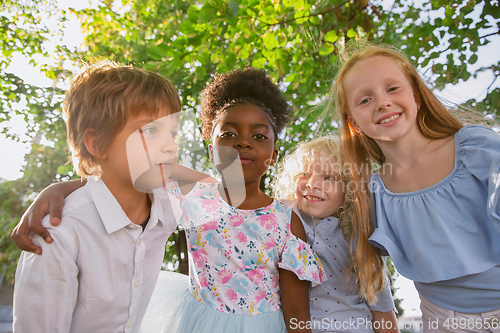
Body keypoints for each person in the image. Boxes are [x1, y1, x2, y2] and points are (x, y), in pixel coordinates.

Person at [12, 67, 326, 333]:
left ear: (273, 154)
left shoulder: (285, 218)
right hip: (201, 321)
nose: (243, 142)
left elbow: (297, 308)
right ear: (210, 146)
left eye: (258, 136)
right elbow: (116, 178)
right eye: (228, 134)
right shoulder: (190, 195)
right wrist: (57, 190)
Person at [332, 43, 500, 332]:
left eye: (393, 89)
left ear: (417, 96)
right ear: (354, 124)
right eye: (365, 100)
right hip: (444, 318)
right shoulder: (372, 194)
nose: (383, 102)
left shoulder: (476, 149)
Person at [13, 60, 187, 332]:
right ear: (96, 143)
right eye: (150, 130)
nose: (169, 145)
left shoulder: (168, 207)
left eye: (172, 132)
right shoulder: (58, 235)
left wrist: (59, 187)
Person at [271, 136, 399, 333]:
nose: (312, 184)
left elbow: (382, 309)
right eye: (304, 173)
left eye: (329, 177)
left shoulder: (359, 237)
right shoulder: (281, 220)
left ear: (350, 188)